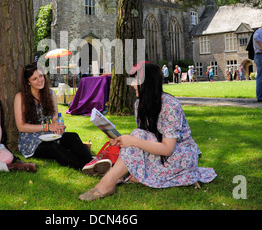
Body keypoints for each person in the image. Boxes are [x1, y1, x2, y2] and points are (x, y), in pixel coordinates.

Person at [79, 62, 217, 201]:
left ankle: (108, 183)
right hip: (159, 153)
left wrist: (133, 141)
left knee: (136, 136)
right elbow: (145, 139)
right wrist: (121, 141)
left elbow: (167, 149)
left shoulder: (170, 105)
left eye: (135, 80)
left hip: (180, 154)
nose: (132, 84)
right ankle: (120, 178)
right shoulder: (139, 104)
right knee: (136, 135)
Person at [14, 62, 100, 172]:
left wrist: (58, 126)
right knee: (54, 149)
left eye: (41, 76)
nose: (40, 80)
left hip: (49, 135)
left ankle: (94, 162)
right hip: (31, 142)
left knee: (72, 136)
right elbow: (21, 127)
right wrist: (48, 127)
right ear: (28, 82)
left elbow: (55, 116)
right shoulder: (20, 97)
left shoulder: (50, 93)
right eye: (34, 79)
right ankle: (86, 167)